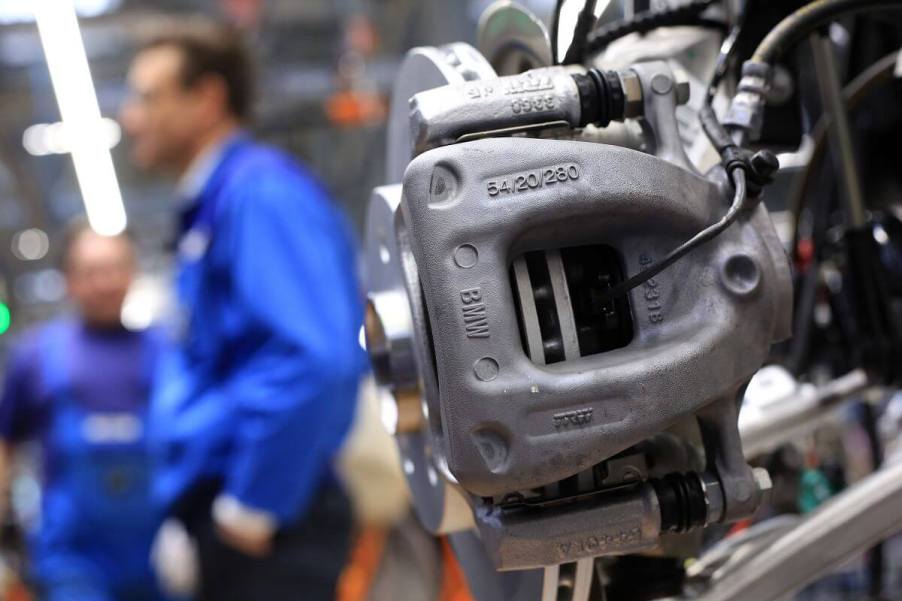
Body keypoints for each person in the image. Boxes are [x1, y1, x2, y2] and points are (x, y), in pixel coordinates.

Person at [120, 21, 364, 601]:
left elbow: (315, 360)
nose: (131, 118)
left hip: (270, 521)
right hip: (234, 510)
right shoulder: (214, 207)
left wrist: (251, 505)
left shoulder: (259, 193)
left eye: (147, 97)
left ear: (206, 98)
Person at [0, 223, 165, 601]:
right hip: (71, 563)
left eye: (114, 268)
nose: (104, 283)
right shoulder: (37, 356)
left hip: (153, 554)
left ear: (132, 273)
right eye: (91, 272)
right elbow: (4, 442)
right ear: (69, 280)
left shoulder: (166, 354)